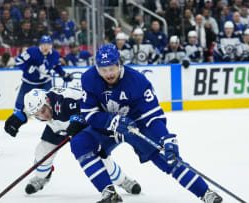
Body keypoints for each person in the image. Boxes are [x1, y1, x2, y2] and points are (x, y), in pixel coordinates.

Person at [70, 44, 223, 203]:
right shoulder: (89, 78)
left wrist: (166, 138)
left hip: (136, 127)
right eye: (103, 70)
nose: (108, 74)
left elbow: (153, 116)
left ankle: (205, 193)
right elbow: (90, 113)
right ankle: (109, 193)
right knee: (79, 143)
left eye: (112, 68)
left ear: (119, 63)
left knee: (168, 158)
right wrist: (112, 121)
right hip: (107, 127)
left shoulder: (137, 81)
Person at [6, 87, 142, 195]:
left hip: (82, 127)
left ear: (47, 100)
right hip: (57, 128)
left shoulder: (65, 100)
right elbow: (29, 109)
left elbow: (88, 107)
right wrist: (19, 117)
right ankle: (42, 177)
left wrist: (77, 121)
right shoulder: (40, 103)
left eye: (43, 110)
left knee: (98, 158)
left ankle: (123, 180)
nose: (44, 115)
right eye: (38, 115)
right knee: (41, 153)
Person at [4, 35, 73, 138]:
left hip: (45, 82)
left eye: (48, 44)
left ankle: (57, 125)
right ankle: (15, 124)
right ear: (40, 45)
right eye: (44, 44)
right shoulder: (32, 51)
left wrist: (63, 74)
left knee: (51, 103)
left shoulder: (54, 54)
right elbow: (19, 60)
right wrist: (27, 69)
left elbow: (56, 66)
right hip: (29, 83)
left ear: (51, 45)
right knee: (19, 105)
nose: (46, 47)